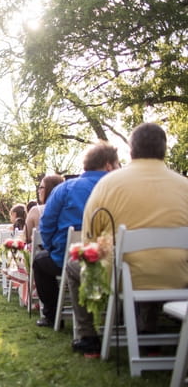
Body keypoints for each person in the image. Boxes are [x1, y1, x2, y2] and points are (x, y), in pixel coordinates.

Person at [68, 123, 188, 357]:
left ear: (131, 150)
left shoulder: (109, 184)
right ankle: (148, 336)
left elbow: (89, 241)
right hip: (179, 278)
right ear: (164, 150)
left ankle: (88, 337)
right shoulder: (184, 185)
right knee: (158, 262)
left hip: (123, 278)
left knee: (75, 266)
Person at [34, 142, 120, 328]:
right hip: (118, 260)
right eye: (118, 164)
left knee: (40, 261)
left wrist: (53, 249)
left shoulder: (65, 189)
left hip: (70, 258)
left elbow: (46, 226)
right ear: (108, 165)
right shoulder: (120, 189)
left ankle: (51, 314)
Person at [24, 175, 65, 243]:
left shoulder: (36, 211)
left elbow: (25, 237)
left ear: (51, 189)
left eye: (41, 187)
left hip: (42, 252)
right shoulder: (70, 211)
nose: (38, 191)